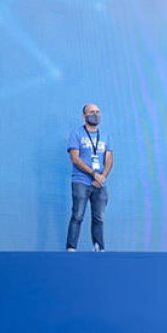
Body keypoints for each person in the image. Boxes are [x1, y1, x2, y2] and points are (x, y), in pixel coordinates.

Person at [66, 103, 113, 251]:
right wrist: (94, 174)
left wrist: (102, 177)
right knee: (78, 215)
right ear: (84, 116)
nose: (96, 114)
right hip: (81, 181)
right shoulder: (76, 134)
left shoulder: (106, 136)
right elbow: (75, 158)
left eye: (98, 111)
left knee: (99, 218)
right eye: (92, 112)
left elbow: (109, 159)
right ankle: (71, 248)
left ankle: (99, 248)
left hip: (100, 184)